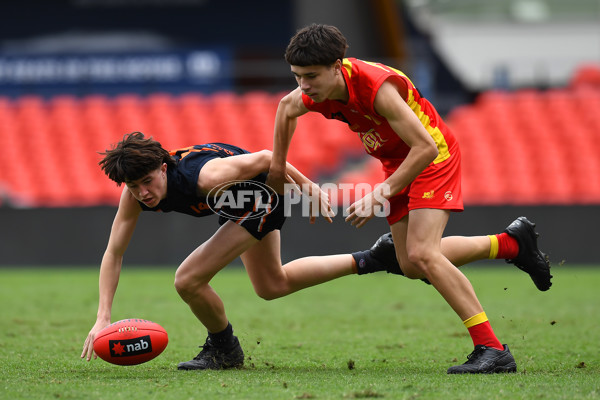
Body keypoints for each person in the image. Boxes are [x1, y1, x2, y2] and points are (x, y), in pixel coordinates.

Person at [266, 24, 552, 374]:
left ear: (337, 66)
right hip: (396, 162)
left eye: (311, 76)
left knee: (422, 253)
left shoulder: (376, 89)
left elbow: (425, 147)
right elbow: (285, 108)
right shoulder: (313, 92)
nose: (304, 85)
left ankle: (492, 348)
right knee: (411, 264)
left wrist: (380, 193)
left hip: (432, 157)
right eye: (297, 76)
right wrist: (278, 168)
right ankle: (509, 244)